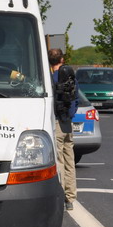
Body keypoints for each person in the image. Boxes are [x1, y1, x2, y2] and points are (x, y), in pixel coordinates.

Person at [49, 48, 77, 211]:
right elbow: (76, 98)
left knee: (58, 160)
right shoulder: (71, 77)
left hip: (57, 122)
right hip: (68, 122)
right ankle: (71, 197)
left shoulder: (50, 78)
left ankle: (60, 195)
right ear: (62, 59)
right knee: (69, 160)